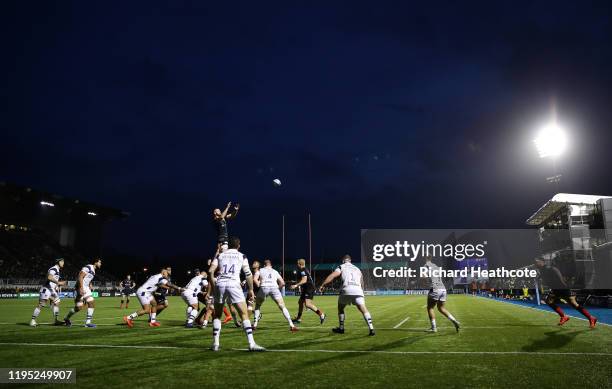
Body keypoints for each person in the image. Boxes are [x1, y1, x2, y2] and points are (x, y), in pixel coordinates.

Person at [208, 236, 264, 351]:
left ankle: (215, 344)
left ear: (228, 245)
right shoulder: (241, 255)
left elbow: (210, 271)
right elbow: (248, 274)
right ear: (238, 245)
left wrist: (214, 288)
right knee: (244, 314)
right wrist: (251, 289)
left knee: (217, 315)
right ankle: (251, 344)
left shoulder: (220, 255)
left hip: (220, 284)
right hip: (234, 284)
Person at [319, 255, 375, 336]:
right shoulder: (357, 269)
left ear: (343, 261)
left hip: (346, 289)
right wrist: (362, 292)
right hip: (358, 290)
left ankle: (341, 328)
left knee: (341, 308)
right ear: (350, 261)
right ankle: (371, 328)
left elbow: (333, 275)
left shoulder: (341, 267)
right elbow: (362, 282)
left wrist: (323, 284)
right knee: (363, 308)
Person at [535, 258, 597, 328]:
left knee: (574, 304)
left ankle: (591, 318)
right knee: (549, 301)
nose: (535, 263)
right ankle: (564, 316)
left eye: (537, 262)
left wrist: (566, 289)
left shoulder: (550, 268)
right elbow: (545, 278)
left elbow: (559, 277)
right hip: (555, 290)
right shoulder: (541, 270)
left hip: (562, 289)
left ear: (542, 262)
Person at [253, 259, 298, 332]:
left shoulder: (260, 270)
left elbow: (255, 279)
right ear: (271, 265)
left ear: (264, 265)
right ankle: (291, 325)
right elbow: (283, 283)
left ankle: (255, 324)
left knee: (258, 305)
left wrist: (258, 285)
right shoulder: (275, 271)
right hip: (274, 287)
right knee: (282, 306)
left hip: (264, 287)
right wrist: (278, 287)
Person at [423, 256, 460, 333]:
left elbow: (424, 276)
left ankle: (434, 328)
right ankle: (454, 321)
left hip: (435, 289)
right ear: (431, 258)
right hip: (442, 289)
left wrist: (420, 280)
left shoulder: (426, 265)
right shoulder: (435, 266)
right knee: (441, 308)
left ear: (425, 258)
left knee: (430, 308)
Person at [64, 258, 103, 328]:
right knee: (78, 308)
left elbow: (88, 279)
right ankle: (66, 318)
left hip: (86, 287)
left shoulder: (93, 271)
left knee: (91, 302)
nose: (100, 264)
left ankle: (88, 323)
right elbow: (80, 276)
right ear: (95, 262)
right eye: (99, 262)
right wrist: (81, 287)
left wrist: (90, 285)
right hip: (80, 287)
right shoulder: (89, 267)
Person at [30, 258, 66, 327]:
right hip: (46, 289)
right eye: (62, 262)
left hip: (51, 290)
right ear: (58, 262)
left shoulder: (57, 270)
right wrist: (58, 282)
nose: (63, 263)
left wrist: (56, 285)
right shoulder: (54, 269)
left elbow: (52, 280)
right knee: (41, 304)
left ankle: (56, 320)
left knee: (57, 301)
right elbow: (49, 277)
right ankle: (32, 320)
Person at [290, 259, 325, 324]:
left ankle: (321, 314)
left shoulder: (303, 270)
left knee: (308, 304)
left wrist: (296, 285)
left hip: (309, 288)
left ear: (300, 264)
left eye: (297, 264)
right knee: (300, 302)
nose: (297, 265)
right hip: (306, 288)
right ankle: (298, 318)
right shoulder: (304, 269)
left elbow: (304, 280)